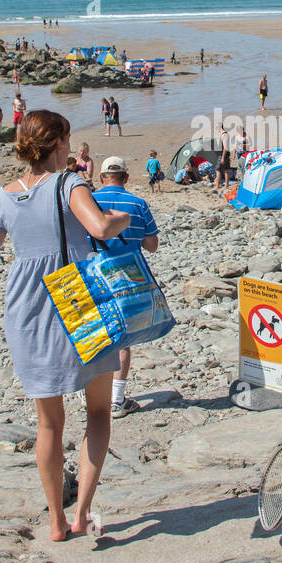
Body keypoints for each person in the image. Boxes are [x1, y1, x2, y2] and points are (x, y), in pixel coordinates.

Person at [0, 111, 131, 540]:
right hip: (77, 298)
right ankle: (81, 511)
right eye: (68, 140)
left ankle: (55, 521)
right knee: (97, 410)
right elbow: (98, 225)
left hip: (25, 308)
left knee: (48, 424)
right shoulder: (70, 184)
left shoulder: (1, 198)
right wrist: (124, 219)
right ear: (59, 143)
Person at [91, 156, 159, 419]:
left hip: (94, 273)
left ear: (101, 178)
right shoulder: (138, 204)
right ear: (127, 178)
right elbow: (152, 246)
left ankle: (94, 396)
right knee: (122, 340)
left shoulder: (89, 203)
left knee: (96, 335)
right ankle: (116, 400)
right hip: (129, 277)